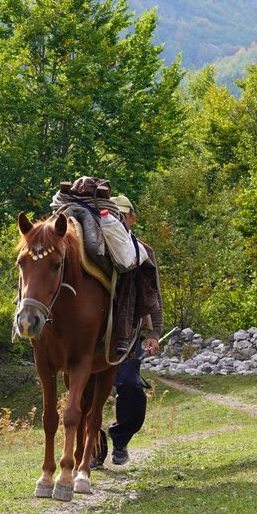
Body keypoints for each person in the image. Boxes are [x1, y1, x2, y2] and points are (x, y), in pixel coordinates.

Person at [96, 193, 163, 468]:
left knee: (131, 388)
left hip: (129, 334)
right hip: (95, 335)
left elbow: (153, 296)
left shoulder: (143, 251)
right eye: (115, 215)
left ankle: (120, 438)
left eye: (123, 214)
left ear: (133, 218)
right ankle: (91, 445)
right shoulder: (93, 250)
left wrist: (155, 333)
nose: (119, 219)